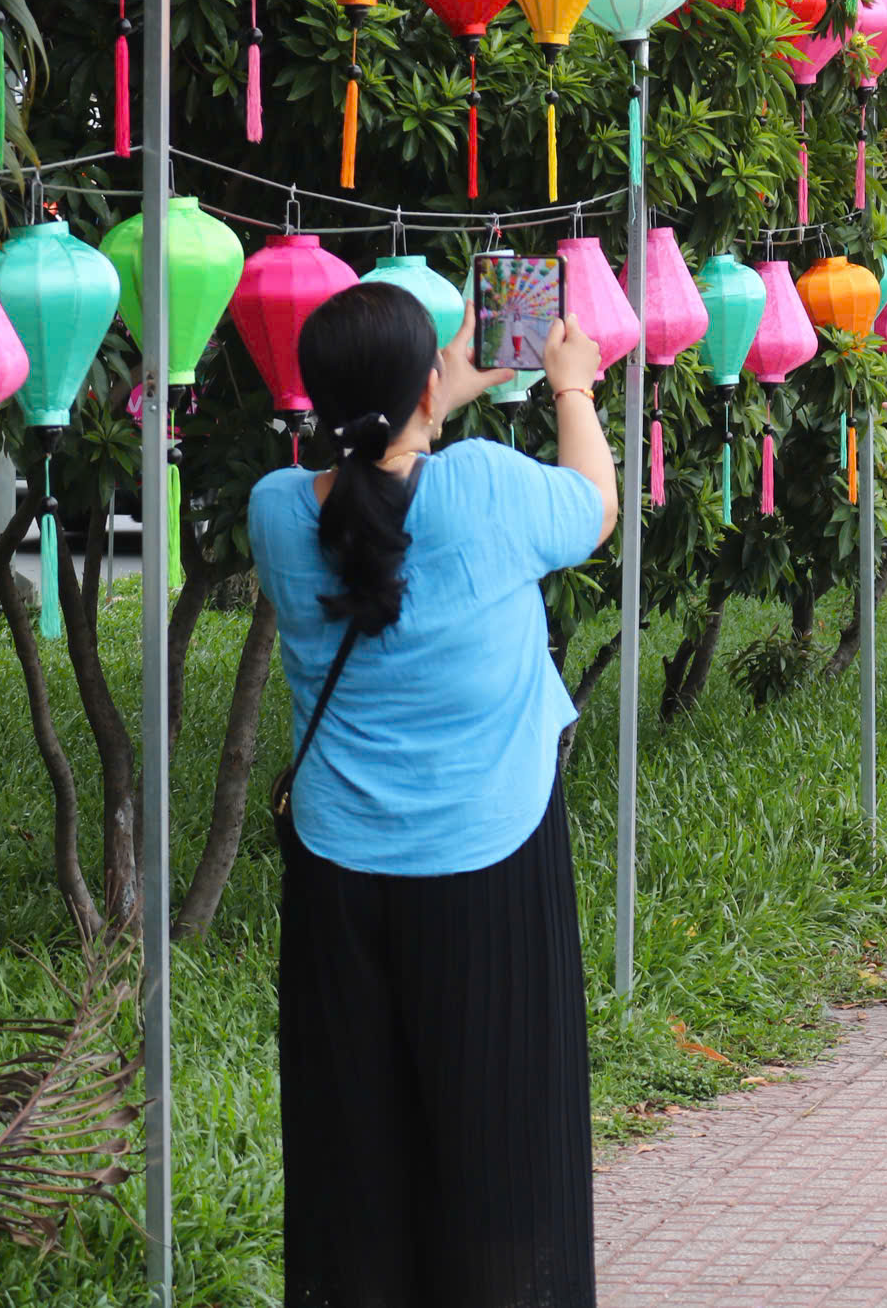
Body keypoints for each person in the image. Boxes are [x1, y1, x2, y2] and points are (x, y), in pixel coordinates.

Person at [248, 283, 616, 1308]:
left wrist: (425, 398)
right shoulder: (485, 488)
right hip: (487, 865)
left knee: (357, 1148)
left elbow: (368, 480)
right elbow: (595, 506)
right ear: (419, 391)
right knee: (502, 1143)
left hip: (337, 874)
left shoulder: (275, 512)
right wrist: (571, 387)